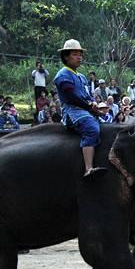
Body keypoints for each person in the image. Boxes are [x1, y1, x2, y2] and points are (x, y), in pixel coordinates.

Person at [53, 39, 107, 180]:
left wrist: (94, 104)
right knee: (91, 129)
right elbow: (73, 97)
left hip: (85, 109)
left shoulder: (81, 77)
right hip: (73, 111)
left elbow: (87, 96)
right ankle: (88, 168)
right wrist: (90, 107)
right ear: (66, 56)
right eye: (75, 54)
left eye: (80, 54)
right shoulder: (63, 75)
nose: (79, 57)